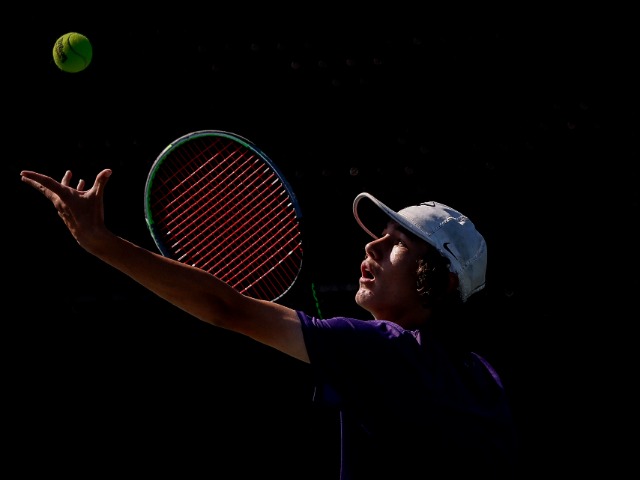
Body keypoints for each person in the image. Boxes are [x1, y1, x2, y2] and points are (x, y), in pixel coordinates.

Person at [20, 168, 519, 479]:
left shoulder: (386, 350)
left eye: (398, 244)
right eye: (379, 235)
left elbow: (228, 308)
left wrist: (101, 242)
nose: (372, 245)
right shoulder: (484, 378)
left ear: (439, 281)